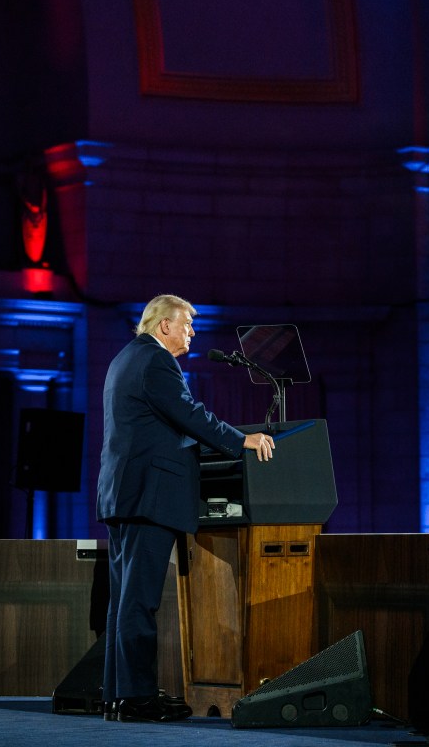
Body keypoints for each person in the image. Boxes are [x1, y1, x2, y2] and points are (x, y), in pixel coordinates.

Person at [97, 294, 274, 724]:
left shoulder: (125, 358)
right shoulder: (157, 362)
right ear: (163, 327)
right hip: (148, 495)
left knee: (124, 599)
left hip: (124, 494)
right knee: (138, 602)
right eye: (187, 325)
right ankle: (137, 698)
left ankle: (119, 695)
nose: (191, 333)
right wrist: (240, 440)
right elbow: (188, 413)